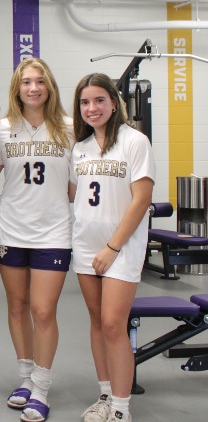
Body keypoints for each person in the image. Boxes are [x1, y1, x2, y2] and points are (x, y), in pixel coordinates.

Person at [0, 58, 74, 422]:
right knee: (17, 306)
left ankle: (41, 385)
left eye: (40, 81)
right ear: (17, 88)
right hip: (12, 228)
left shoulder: (69, 128)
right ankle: (24, 377)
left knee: (42, 310)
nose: (34, 88)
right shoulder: (4, 127)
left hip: (54, 231)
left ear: (50, 86)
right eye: (27, 82)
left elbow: (74, 185)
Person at [70, 73, 154, 422]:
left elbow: (142, 200)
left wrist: (112, 246)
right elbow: (74, 194)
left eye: (99, 100)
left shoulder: (135, 142)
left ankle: (120, 408)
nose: (92, 108)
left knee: (112, 324)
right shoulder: (80, 147)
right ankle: (105, 394)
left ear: (115, 102)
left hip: (120, 248)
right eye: (85, 102)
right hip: (85, 245)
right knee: (95, 321)